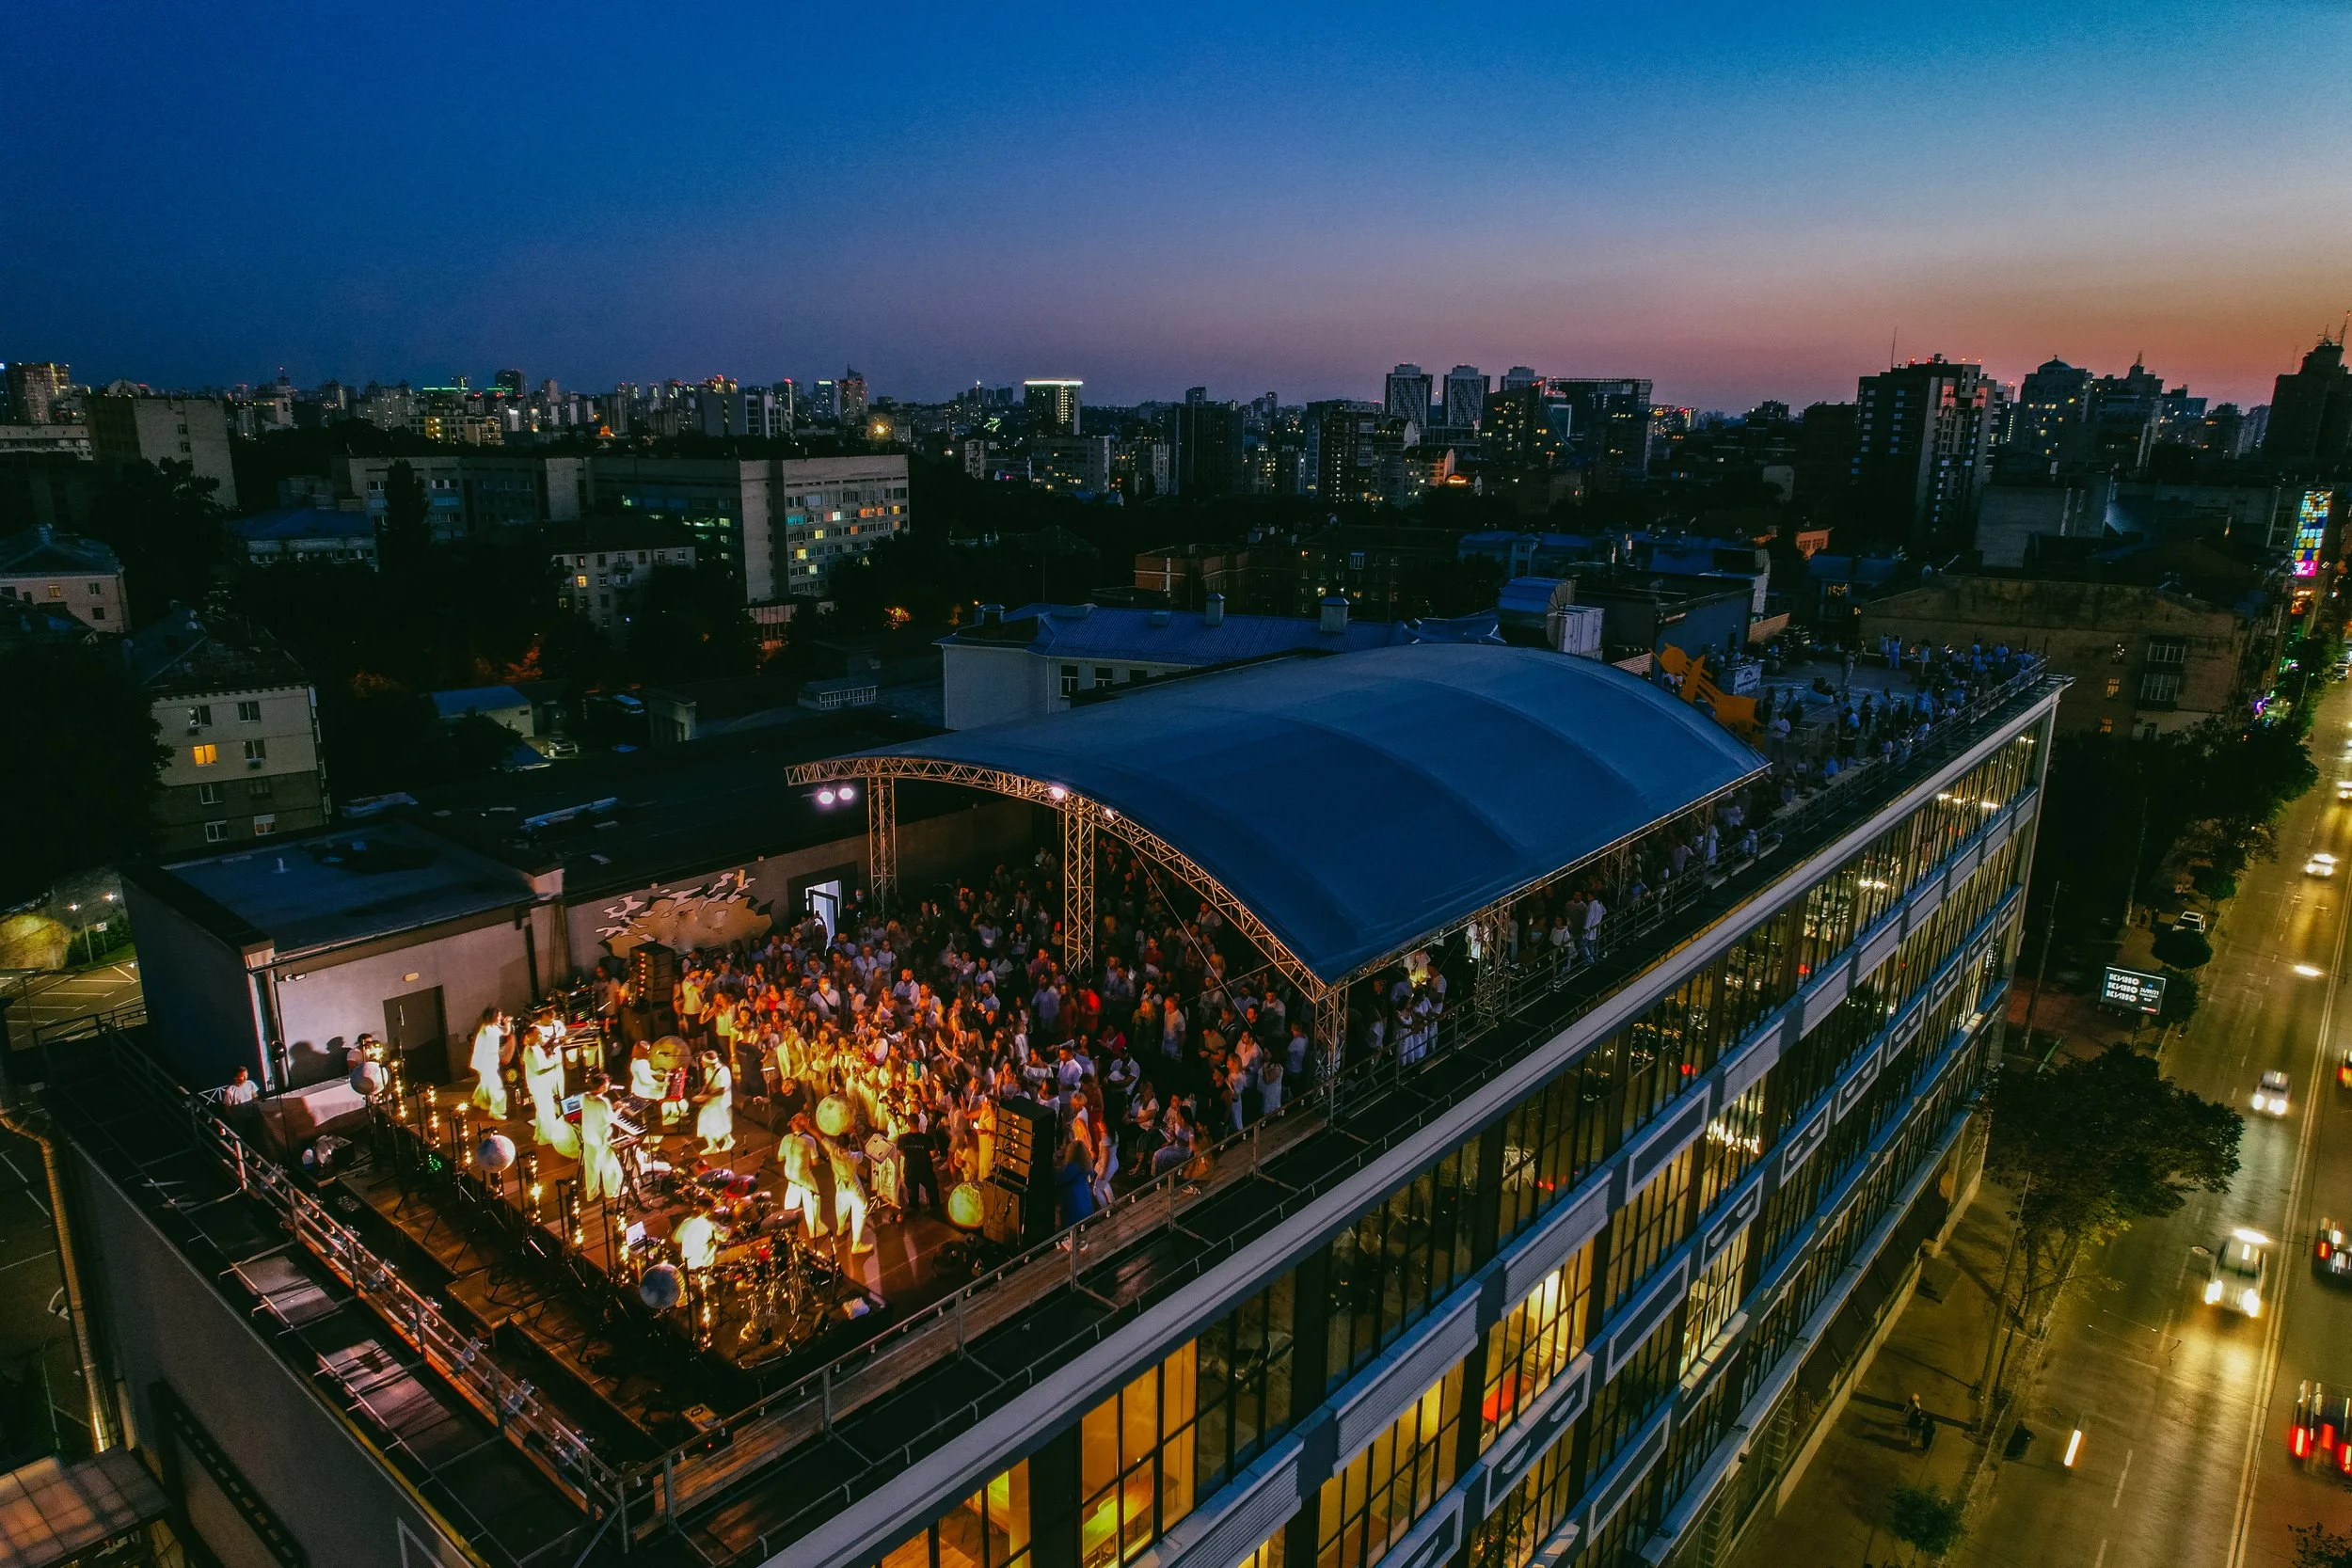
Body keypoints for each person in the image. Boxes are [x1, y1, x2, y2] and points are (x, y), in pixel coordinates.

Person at [524, 1025, 578, 1156]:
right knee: (546, 1111)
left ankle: (540, 1134)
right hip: (539, 1085)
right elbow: (538, 1068)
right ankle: (546, 1137)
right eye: (538, 1034)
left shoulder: (536, 1047)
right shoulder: (530, 1050)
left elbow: (548, 1049)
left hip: (542, 1084)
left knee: (542, 1110)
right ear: (530, 1036)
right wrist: (554, 1064)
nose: (540, 1036)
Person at [577, 1071, 626, 1205]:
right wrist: (620, 1108)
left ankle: (591, 1194)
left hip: (588, 1137)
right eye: (607, 1084)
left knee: (591, 1167)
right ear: (603, 1085)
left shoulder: (585, 1097)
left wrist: (612, 1107)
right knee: (610, 1166)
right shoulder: (604, 1102)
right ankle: (611, 1191)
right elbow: (611, 1119)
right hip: (601, 1139)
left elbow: (596, 1110)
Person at [779, 1114, 829, 1238]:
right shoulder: (809, 1140)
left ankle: (787, 1228)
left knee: (791, 1200)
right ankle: (814, 1230)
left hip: (790, 1175)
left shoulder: (785, 1138)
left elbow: (780, 1158)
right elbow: (815, 1162)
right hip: (803, 1175)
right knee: (813, 1198)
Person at [469, 1008, 509, 1119]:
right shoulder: (489, 1030)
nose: (501, 1017)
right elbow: (504, 1034)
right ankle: (496, 1111)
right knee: (497, 1088)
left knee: (486, 1083)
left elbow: (505, 1031)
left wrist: (507, 1023)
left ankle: (481, 1101)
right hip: (487, 1063)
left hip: (486, 1063)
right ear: (493, 1017)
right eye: (499, 1016)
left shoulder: (490, 1027)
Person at [694, 1049, 734, 1154]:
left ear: (708, 1062)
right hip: (713, 1099)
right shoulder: (708, 1070)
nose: (701, 1063)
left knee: (707, 1120)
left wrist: (706, 1097)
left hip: (721, 1101)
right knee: (709, 1121)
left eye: (703, 1061)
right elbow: (708, 1084)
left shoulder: (723, 1071)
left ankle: (715, 1145)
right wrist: (701, 1094)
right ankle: (724, 1141)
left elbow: (722, 1089)